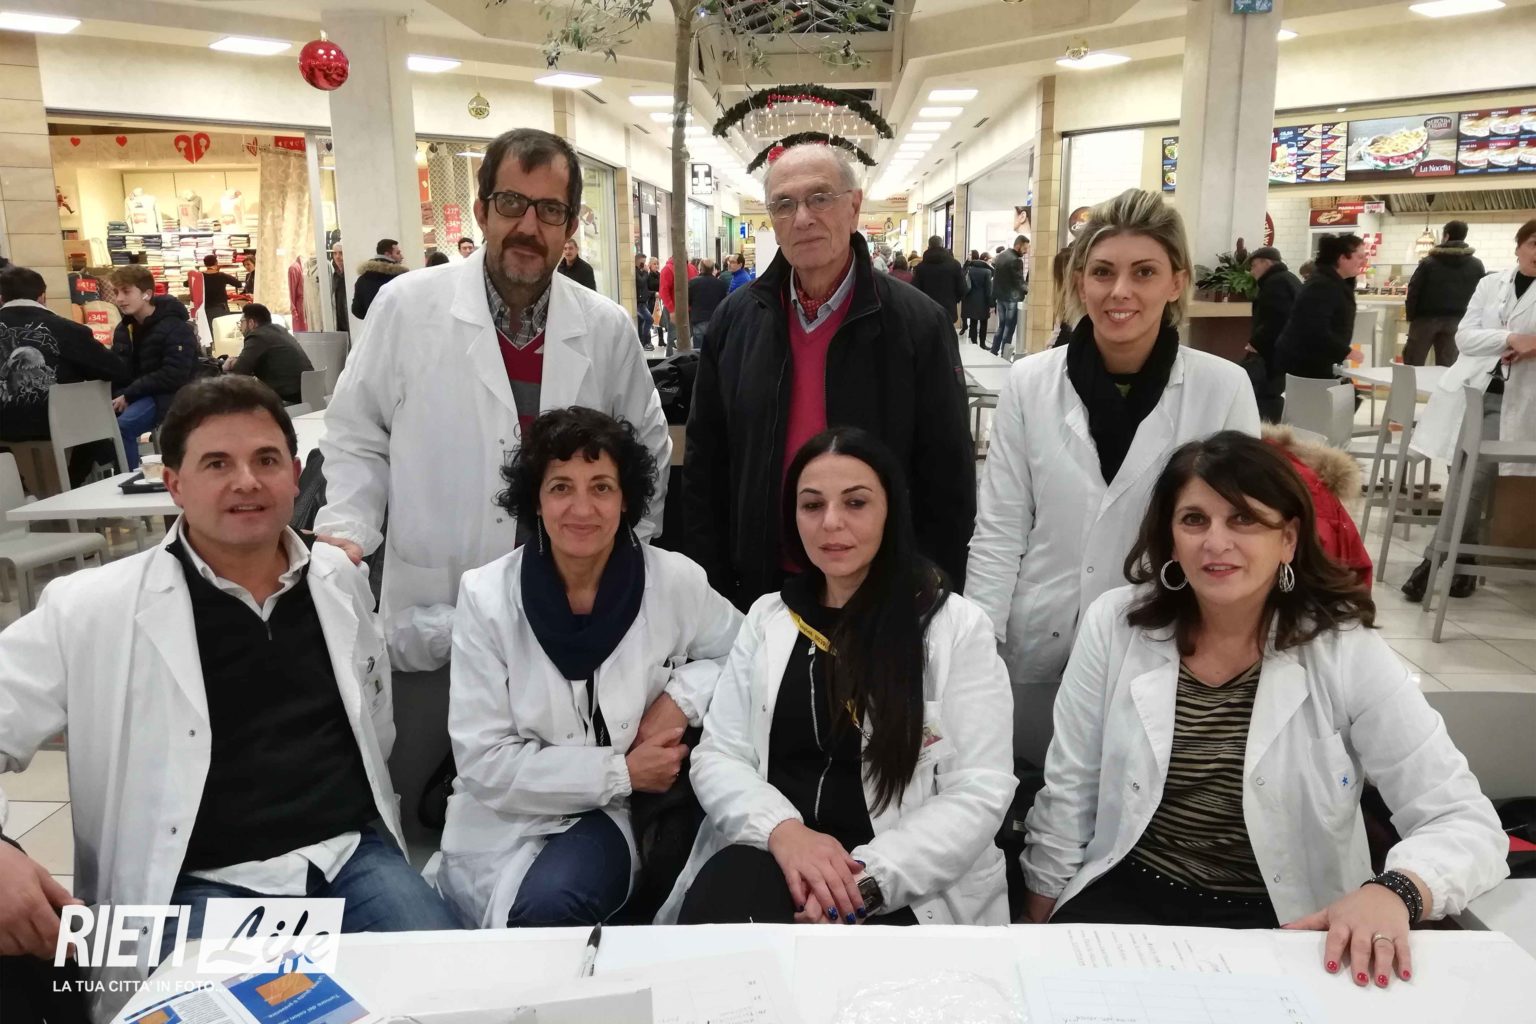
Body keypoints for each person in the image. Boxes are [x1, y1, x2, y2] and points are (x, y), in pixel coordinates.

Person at [0, 377, 459, 1022]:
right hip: (196, 884)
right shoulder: (91, 608)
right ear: (174, 483)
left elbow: (374, 724)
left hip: (350, 857)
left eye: (266, 460)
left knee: (450, 999)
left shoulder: (338, 579)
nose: (247, 481)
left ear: (295, 475)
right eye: (217, 463)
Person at [1021, 432, 1507, 990]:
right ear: (1170, 538)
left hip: (1291, 921)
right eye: (1194, 520)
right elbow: (1071, 789)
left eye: (1244, 519)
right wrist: (1037, 919)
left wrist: (1396, 891)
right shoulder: (1115, 624)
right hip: (1127, 898)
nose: (1216, 542)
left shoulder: (1343, 649)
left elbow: (1462, 819)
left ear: (1288, 539)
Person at [316, 128, 672, 845]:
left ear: (569, 228)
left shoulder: (603, 327)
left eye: (549, 210)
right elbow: (356, 433)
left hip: (564, 601)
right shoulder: (406, 308)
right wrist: (348, 531)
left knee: (556, 804)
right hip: (438, 590)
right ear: (481, 210)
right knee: (427, 807)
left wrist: (618, 562)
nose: (528, 226)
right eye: (512, 203)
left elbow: (647, 449)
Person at [663, 427, 1014, 926]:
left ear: (891, 510)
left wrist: (861, 886)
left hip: (905, 880)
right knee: (723, 930)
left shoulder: (955, 628)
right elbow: (720, 755)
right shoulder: (768, 618)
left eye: (855, 503)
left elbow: (978, 790)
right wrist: (785, 832)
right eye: (812, 505)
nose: (831, 522)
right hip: (776, 855)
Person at [966, 189, 1260, 761]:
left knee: (1140, 788)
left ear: (1176, 283)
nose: (1120, 291)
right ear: (1080, 281)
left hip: (1166, 636)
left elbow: (1240, 536)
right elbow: (1000, 526)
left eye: (1144, 272)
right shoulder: (1031, 382)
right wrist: (978, 642)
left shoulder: (1221, 388)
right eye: (1102, 272)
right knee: (1034, 780)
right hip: (1043, 635)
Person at [434, 408, 742, 928]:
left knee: (549, 907)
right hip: (506, 815)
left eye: (601, 487)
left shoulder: (673, 581)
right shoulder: (486, 597)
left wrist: (681, 698)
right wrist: (621, 771)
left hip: (610, 813)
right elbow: (484, 760)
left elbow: (746, 650)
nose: (582, 508)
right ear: (536, 499)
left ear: (626, 500)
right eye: (561, 488)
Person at [683, 143, 975, 611]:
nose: (802, 218)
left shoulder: (917, 324)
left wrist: (929, 595)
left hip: (881, 588)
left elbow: (948, 476)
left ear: (854, 207)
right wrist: (711, 586)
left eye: (820, 198)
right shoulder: (735, 322)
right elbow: (706, 462)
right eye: (784, 204)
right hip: (762, 585)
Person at [1402, 218, 1536, 602]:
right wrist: (1511, 338)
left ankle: (1432, 561)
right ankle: (1465, 562)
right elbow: (1465, 337)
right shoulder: (1490, 283)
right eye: (1534, 243)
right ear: (1518, 246)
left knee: (1472, 479)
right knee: (1462, 477)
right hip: (1469, 393)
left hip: (1512, 403)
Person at [0, 265, 128, 441]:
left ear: (1, 298)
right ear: (42, 297)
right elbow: (115, 370)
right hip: (59, 431)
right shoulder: (69, 330)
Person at [108, 265, 197, 470]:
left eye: (126, 291)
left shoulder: (175, 327)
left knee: (123, 427)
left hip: (170, 395)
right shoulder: (124, 328)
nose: (119, 299)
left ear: (147, 294)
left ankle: (128, 479)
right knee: (96, 427)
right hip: (138, 393)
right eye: (116, 292)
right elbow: (119, 368)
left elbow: (174, 374)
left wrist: (129, 394)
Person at [1263, 424, 1373, 589]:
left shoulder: (1312, 503)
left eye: (1243, 519)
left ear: (1289, 538)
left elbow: (1349, 589)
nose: (1222, 544)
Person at [1275, 233, 1366, 386]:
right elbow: (1314, 328)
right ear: (1342, 258)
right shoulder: (1323, 285)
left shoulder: (1335, 283)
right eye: (1360, 256)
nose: (1363, 261)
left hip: (1315, 360)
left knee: (1344, 395)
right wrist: (1346, 352)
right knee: (1338, 397)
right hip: (1304, 362)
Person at [1404, 220, 1486, 368]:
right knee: (1447, 367)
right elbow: (1481, 294)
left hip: (1425, 320)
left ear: (1446, 236)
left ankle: (1409, 385)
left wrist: (1411, 316)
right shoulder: (1476, 265)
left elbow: (1414, 290)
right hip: (1457, 321)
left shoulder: (1428, 263)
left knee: (1413, 363)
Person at [1246, 245, 1303, 423]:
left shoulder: (1275, 283)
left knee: (1264, 394)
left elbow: (1277, 319)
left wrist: (1256, 343)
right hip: (1290, 352)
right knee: (1270, 394)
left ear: (1267, 263)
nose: (1252, 271)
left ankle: (1264, 430)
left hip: (1273, 354)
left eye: (1254, 265)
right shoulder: (1289, 279)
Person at [226, 302, 314, 405]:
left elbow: (239, 371)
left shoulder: (257, 336)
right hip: (308, 393)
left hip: (288, 398)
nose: (240, 327)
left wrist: (227, 367)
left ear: (251, 323)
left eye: (241, 322)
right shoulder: (280, 330)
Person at [911, 235, 967, 325]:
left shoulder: (921, 267)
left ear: (928, 247)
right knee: (947, 332)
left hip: (927, 309)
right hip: (948, 309)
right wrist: (953, 300)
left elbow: (915, 289)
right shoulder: (955, 264)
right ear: (942, 246)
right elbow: (962, 288)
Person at [351, 237, 408, 320]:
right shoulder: (399, 278)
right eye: (398, 253)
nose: (402, 256)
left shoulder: (362, 279)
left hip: (374, 326)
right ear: (387, 255)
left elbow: (357, 310)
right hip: (396, 325)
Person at [991, 235, 1029, 357]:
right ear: (1018, 246)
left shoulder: (1001, 256)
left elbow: (996, 278)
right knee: (1009, 328)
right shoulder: (1016, 260)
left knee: (1001, 326)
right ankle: (1005, 354)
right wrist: (1028, 291)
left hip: (1000, 297)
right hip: (1012, 298)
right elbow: (1019, 281)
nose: (1026, 251)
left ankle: (994, 350)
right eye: (1025, 248)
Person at [687, 258, 729, 350]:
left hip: (698, 318)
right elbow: (724, 302)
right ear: (713, 269)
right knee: (714, 348)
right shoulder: (720, 284)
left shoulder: (692, 283)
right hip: (715, 319)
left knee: (699, 349)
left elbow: (688, 301)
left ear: (700, 268)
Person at [658, 255, 697, 352]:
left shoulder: (692, 268)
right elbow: (664, 291)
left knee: (689, 337)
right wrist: (671, 310)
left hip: (689, 309)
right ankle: (671, 359)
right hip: (674, 309)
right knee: (673, 338)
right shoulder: (667, 269)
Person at [961, 250, 994, 347]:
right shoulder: (987, 272)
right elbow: (988, 290)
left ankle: (974, 343)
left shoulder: (970, 269)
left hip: (971, 299)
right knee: (983, 323)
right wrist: (991, 304)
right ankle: (982, 344)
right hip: (983, 301)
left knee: (973, 322)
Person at [200, 254, 244, 323]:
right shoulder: (222, 276)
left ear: (205, 264)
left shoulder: (200, 276)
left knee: (207, 327)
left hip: (205, 307)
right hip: (220, 307)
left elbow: (186, 284)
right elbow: (238, 284)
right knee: (221, 326)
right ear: (216, 263)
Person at [634, 253, 655, 350]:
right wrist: (646, 272)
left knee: (642, 322)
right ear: (638, 261)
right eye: (643, 262)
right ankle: (643, 341)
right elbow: (641, 282)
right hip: (639, 303)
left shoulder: (640, 271)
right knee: (650, 320)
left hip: (644, 301)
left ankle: (644, 342)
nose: (644, 264)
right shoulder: (635, 271)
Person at [330, 242, 349, 333]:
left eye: (341, 253)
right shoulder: (335, 275)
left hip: (350, 321)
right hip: (339, 322)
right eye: (335, 253)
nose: (337, 257)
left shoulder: (349, 274)